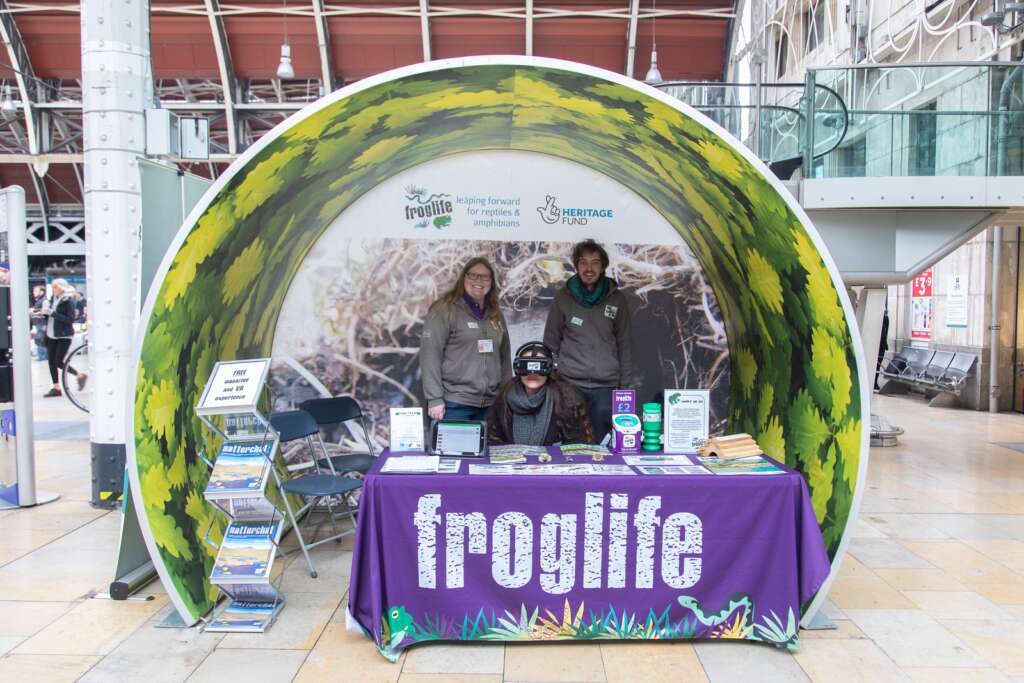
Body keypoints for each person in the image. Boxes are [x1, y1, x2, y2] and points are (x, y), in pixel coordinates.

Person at [543, 239, 633, 443]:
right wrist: (553, 384)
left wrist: (626, 388)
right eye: (583, 262)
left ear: (603, 267)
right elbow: (549, 345)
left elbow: (625, 345)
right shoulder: (563, 298)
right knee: (572, 445)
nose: (589, 268)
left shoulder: (617, 299)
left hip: (606, 388)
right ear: (576, 266)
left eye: (595, 263)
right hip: (571, 385)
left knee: (603, 446)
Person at [420, 257, 511, 422]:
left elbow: (504, 358)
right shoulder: (444, 309)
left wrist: (506, 395)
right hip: (454, 404)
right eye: (473, 275)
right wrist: (434, 398)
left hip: (490, 405)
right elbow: (430, 355)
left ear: (491, 282)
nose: (479, 281)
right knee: (453, 449)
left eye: (485, 277)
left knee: (488, 449)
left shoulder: (495, 314)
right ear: (463, 278)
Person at [487, 341, 594, 446]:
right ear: (518, 368)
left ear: (550, 368)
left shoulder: (567, 399)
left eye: (540, 366)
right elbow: (493, 440)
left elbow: (579, 443)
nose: (532, 373)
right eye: (526, 366)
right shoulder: (505, 397)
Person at [40, 278, 86, 397]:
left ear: (61, 287)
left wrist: (52, 313)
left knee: (59, 362)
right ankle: (56, 387)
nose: (54, 289)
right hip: (51, 333)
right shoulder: (52, 299)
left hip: (64, 334)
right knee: (51, 362)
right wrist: (44, 313)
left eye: (55, 287)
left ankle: (79, 375)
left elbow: (69, 319)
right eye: (53, 287)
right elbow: (50, 316)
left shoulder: (69, 300)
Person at [30, 285, 48, 361]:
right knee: (39, 339)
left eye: (36, 291)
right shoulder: (39, 300)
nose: (34, 293)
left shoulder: (44, 300)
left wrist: (33, 311)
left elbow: (45, 311)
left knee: (41, 339)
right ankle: (41, 355)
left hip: (42, 323)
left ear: (42, 292)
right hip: (39, 323)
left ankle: (43, 356)